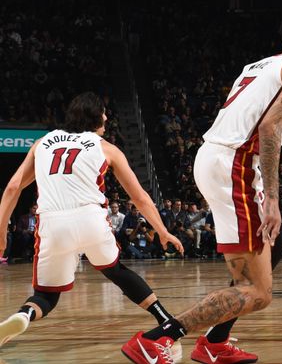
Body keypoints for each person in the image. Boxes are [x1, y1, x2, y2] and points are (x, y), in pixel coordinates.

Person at [122, 10, 282, 364]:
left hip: (213, 156)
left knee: (272, 250)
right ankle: (157, 338)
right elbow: (269, 130)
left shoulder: (256, 66)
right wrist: (273, 199)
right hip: (237, 164)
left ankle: (215, 343)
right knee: (259, 293)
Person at [0, 93, 184, 350]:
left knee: (46, 296)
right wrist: (163, 231)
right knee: (116, 271)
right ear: (95, 117)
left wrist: (0, 234)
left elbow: (12, 188)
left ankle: (23, 316)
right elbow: (140, 197)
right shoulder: (106, 148)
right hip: (90, 219)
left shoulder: (42, 143)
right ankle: (165, 319)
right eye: (104, 112)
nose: (107, 117)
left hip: (52, 225)